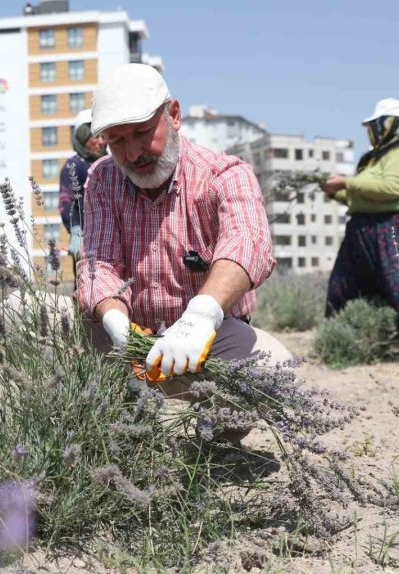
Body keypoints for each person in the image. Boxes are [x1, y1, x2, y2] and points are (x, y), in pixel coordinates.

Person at [75, 64, 292, 386]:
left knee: (278, 371)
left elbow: (247, 242)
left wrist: (200, 317)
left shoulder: (225, 174)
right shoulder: (102, 178)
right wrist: (117, 325)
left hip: (208, 337)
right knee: (18, 310)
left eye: (142, 133)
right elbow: (99, 263)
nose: (133, 154)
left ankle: (217, 433)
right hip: (133, 338)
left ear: (173, 115)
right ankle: (107, 422)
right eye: (116, 141)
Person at [321, 98, 399, 354]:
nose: (372, 131)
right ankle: (339, 344)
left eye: (375, 124)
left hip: (394, 229)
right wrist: (332, 191)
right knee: (342, 287)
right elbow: (360, 197)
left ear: (390, 124)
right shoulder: (372, 159)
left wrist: (346, 183)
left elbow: (392, 188)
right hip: (361, 231)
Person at [59, 110, 106, 251]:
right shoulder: (74, 165)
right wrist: (76, 232)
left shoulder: (112, 163)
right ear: (82, 137)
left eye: (104, 136)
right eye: (96, 136)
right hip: (89, 241)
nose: (101, 142)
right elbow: (67, 203)